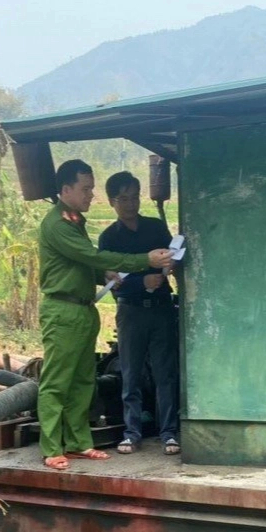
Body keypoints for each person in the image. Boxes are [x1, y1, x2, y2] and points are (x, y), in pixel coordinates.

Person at [37, 160, 173, 471]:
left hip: (83, 308)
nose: (90, 195)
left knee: (85, 379)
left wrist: (103, 274)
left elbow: (83, 264)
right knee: (58, 381)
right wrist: (144, 260)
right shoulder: (57, 224)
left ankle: (78, 442)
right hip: (63, 309)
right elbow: (90, 255)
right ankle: (51, 447)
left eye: (91, 189)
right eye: (85, 189)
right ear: (66, 189)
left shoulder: (74, 221)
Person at [98, 171, 180, 455]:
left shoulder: (155, 227)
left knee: (164, 373)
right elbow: (111, 282)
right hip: (130, 311)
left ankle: (168, 432)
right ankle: (131, 433)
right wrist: (139, 282)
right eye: (123, 199)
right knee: (130, 373)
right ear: (112, 201)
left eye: (134, 197)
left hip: (161, 309)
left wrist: (170, 267)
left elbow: (172, 255)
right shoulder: (108, 237)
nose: (130, 204)